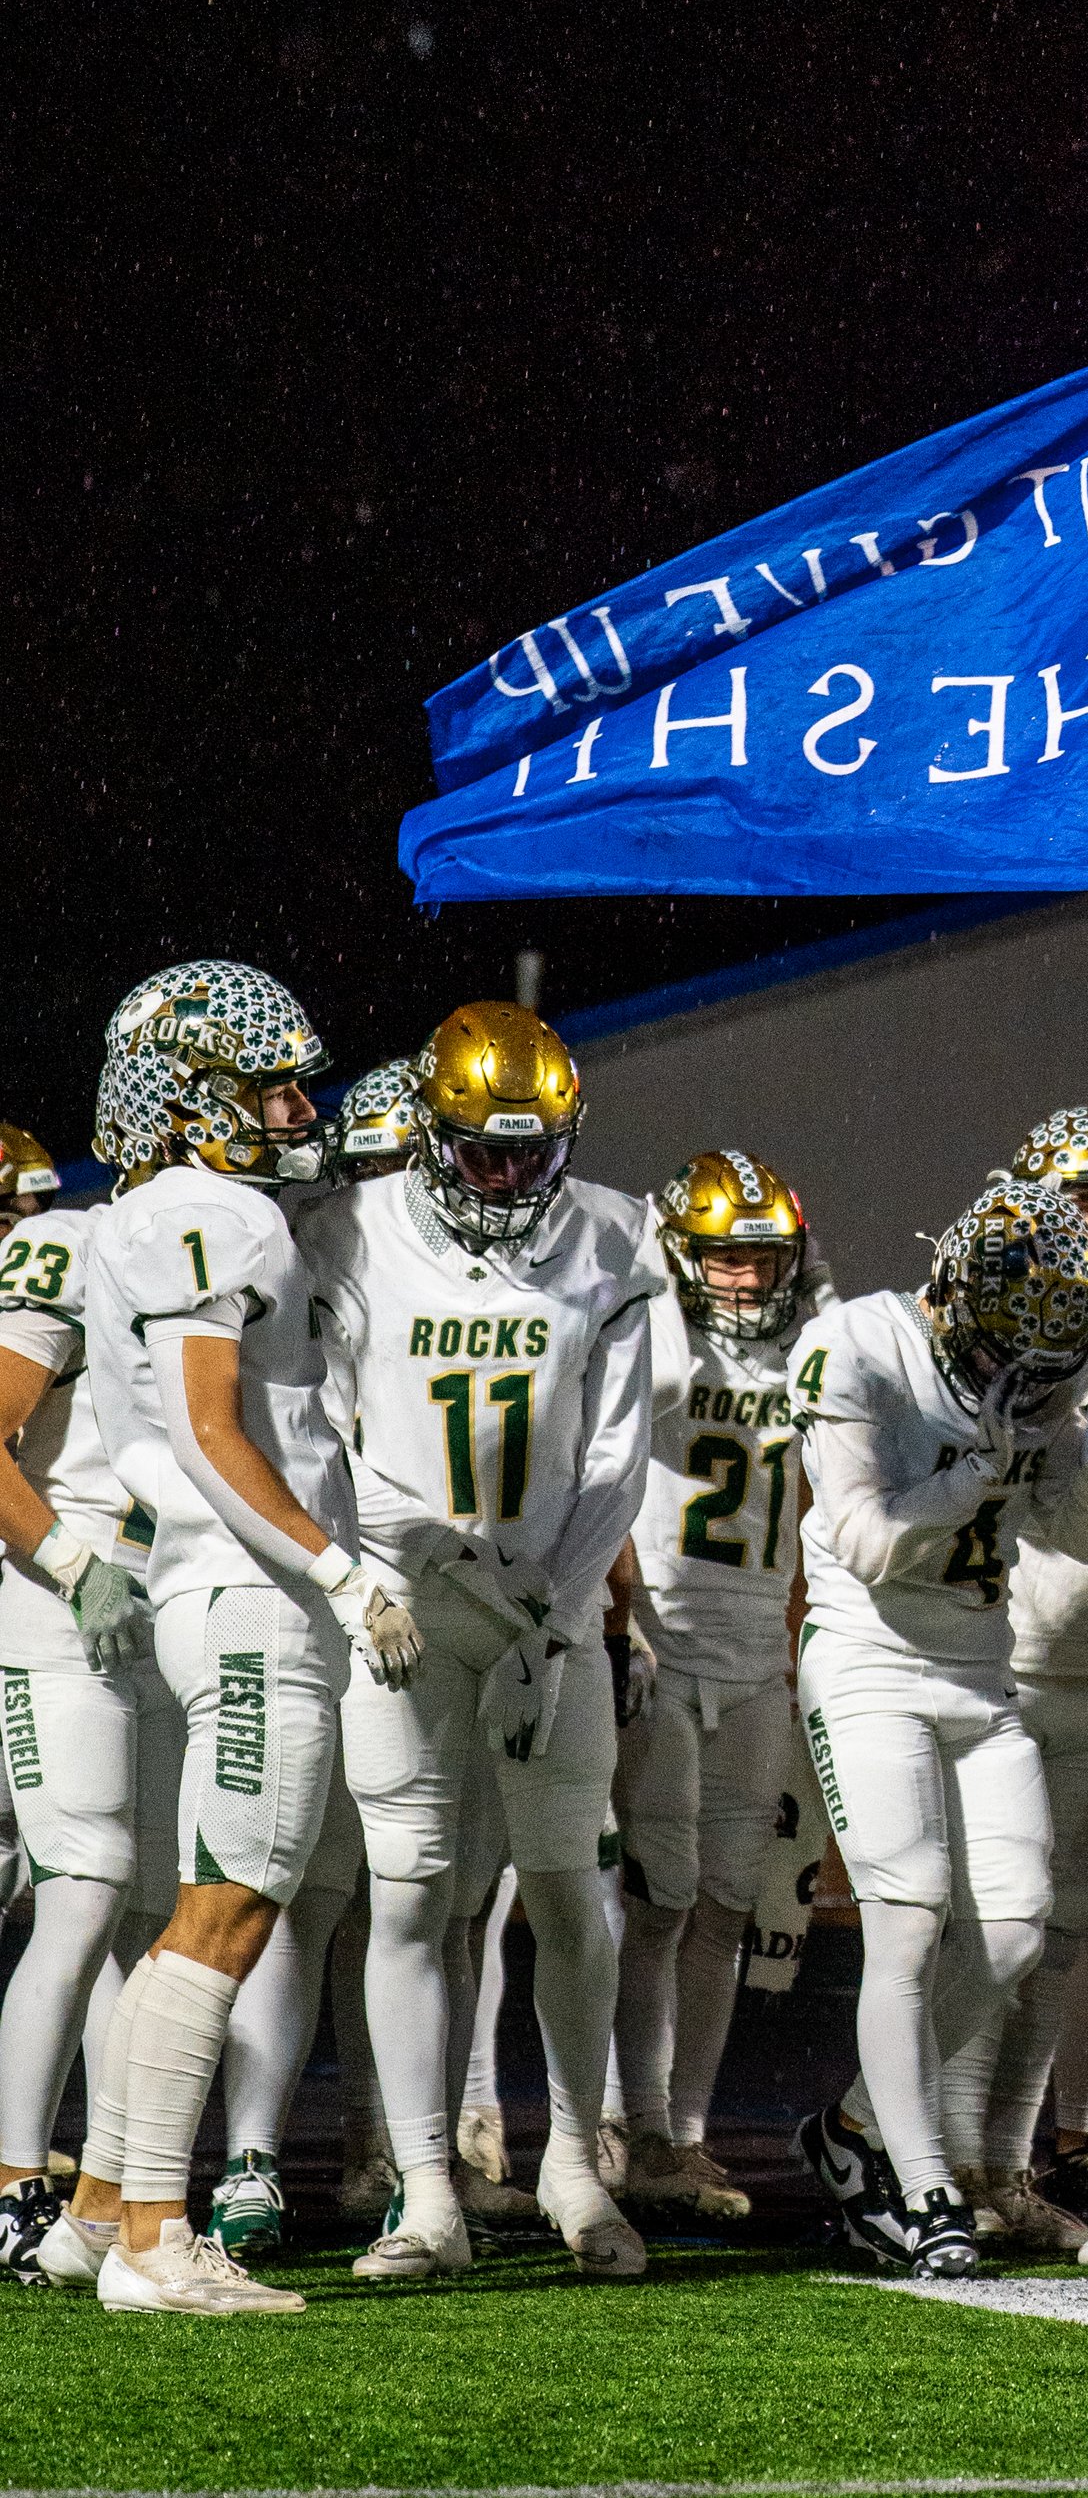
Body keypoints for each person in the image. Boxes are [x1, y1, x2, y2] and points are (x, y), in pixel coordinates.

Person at [298, 999, 661, 2282]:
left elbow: (619, 1461)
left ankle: (574, 2169)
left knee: (568, 1891)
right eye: (480, 1151)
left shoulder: (615, 1237)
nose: (505, 1176)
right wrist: (446, 1556)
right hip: (411, 1608)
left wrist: (556, 1617)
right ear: (432, 1134)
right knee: (409, 1895)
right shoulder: (348, 1233)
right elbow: (329, 1448)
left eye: (528, 1151)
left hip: (547, 1613)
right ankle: (423, 2191)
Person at [77, 966, 420, 2316]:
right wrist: (339, 1571)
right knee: (230, 1908)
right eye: (269, 1083)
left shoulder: (168, 1213)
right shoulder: (208, 1214)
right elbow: (214, 1434)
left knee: (210, 1903)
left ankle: (107, 2206)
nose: (295, 1106)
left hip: (219, 1587)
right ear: (194, 1095)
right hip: (247, 1592)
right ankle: (161, 2233)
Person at [791, 1182, 1088, 2278]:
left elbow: (1074, 1528)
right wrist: (976, 1471)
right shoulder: (860, 1345)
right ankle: (924, 2187)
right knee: (908, 1918)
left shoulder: (1042, 1371)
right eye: (1003, 1354)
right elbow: (867, 1541)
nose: (1019, 1382)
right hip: (870, 1662)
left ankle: (850, 2133)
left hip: (980, 1677)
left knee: (1018, 1934)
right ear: (954, 1297)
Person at [965, 1108, 1088, 2249]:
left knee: (1078, 1925)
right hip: (1003, 1657)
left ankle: (1001, 2164)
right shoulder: (999, 1314)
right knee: (987, 1923)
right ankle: (935, 2158)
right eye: (1084, 1198)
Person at [612, 1149, 814, 2223]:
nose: (742, 1278)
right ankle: (631, 2121)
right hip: (665, 1641)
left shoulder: (812, 1350)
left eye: (758, 1258)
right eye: (723, 1258)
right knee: (661, 1900)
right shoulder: (648, 1341)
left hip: (755, 1659)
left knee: (727, 1904)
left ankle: (684, 2134)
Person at [0, 1129, 176, 2280]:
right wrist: (70, 1561)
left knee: (152, 1915)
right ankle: (14, 2177)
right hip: (59, 1604)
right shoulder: (69, 1250)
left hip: (174, 1607)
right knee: (80, 1890)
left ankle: (106, 2189)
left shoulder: (241, 1259)